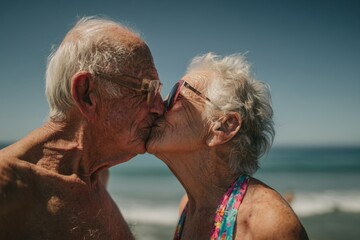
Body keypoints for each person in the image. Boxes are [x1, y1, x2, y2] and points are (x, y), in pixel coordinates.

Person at [0, 17, 163, 239]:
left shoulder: (97, 176)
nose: (159, 108)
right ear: (86, 94)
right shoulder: (8, 187)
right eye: (146, 89)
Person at [147, 53, 309, 239]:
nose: (158, 106)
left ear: (223, 126)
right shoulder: (188, 206)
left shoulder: (265, 223)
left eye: (176, 94)